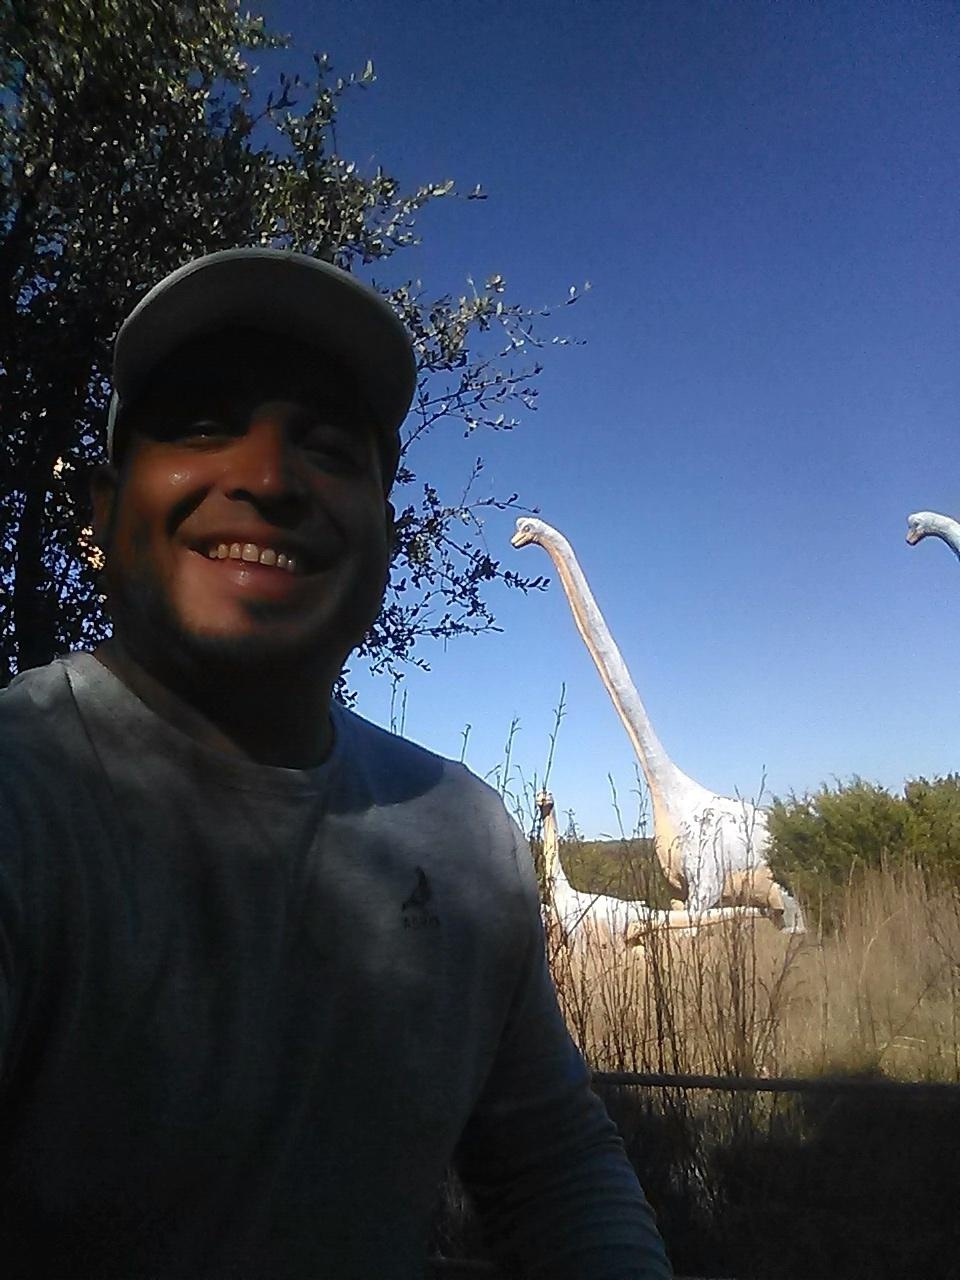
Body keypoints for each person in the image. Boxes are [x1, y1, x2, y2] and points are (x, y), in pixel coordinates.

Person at [0, 248, 671, 1279]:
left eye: (327, 447)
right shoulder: (24, 793)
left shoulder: (466, 835)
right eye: (201, 424)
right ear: (102, 509)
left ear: (386, 542)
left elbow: (552, 1165)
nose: (268, 478)